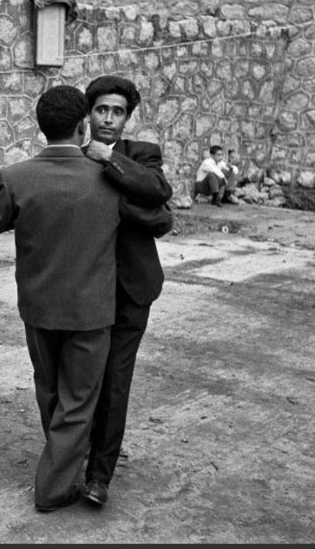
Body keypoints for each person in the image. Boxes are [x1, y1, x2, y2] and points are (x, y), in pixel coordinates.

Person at [0, 85, 123, 513]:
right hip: (92, 313)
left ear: (42, 129)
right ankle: (54, 488)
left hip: (39, 309)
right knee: (78, 403)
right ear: (82, 124)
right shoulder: (111, 175)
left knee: (49, 391)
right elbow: (155, 216)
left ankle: (64, 465)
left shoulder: (17, 177)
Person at [80, 75, 173, 507]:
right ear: (89, 113)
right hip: (80, 291)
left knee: (115, 383)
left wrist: (107, 159)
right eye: (102, 110)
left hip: (130, 289)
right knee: (77, 381)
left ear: (128, 118)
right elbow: (155, 215)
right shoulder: (70, 157)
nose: (109, 119)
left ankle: (99, 476)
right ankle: (69, 458)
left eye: (118, 112)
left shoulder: (141, 155)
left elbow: (159, 195)